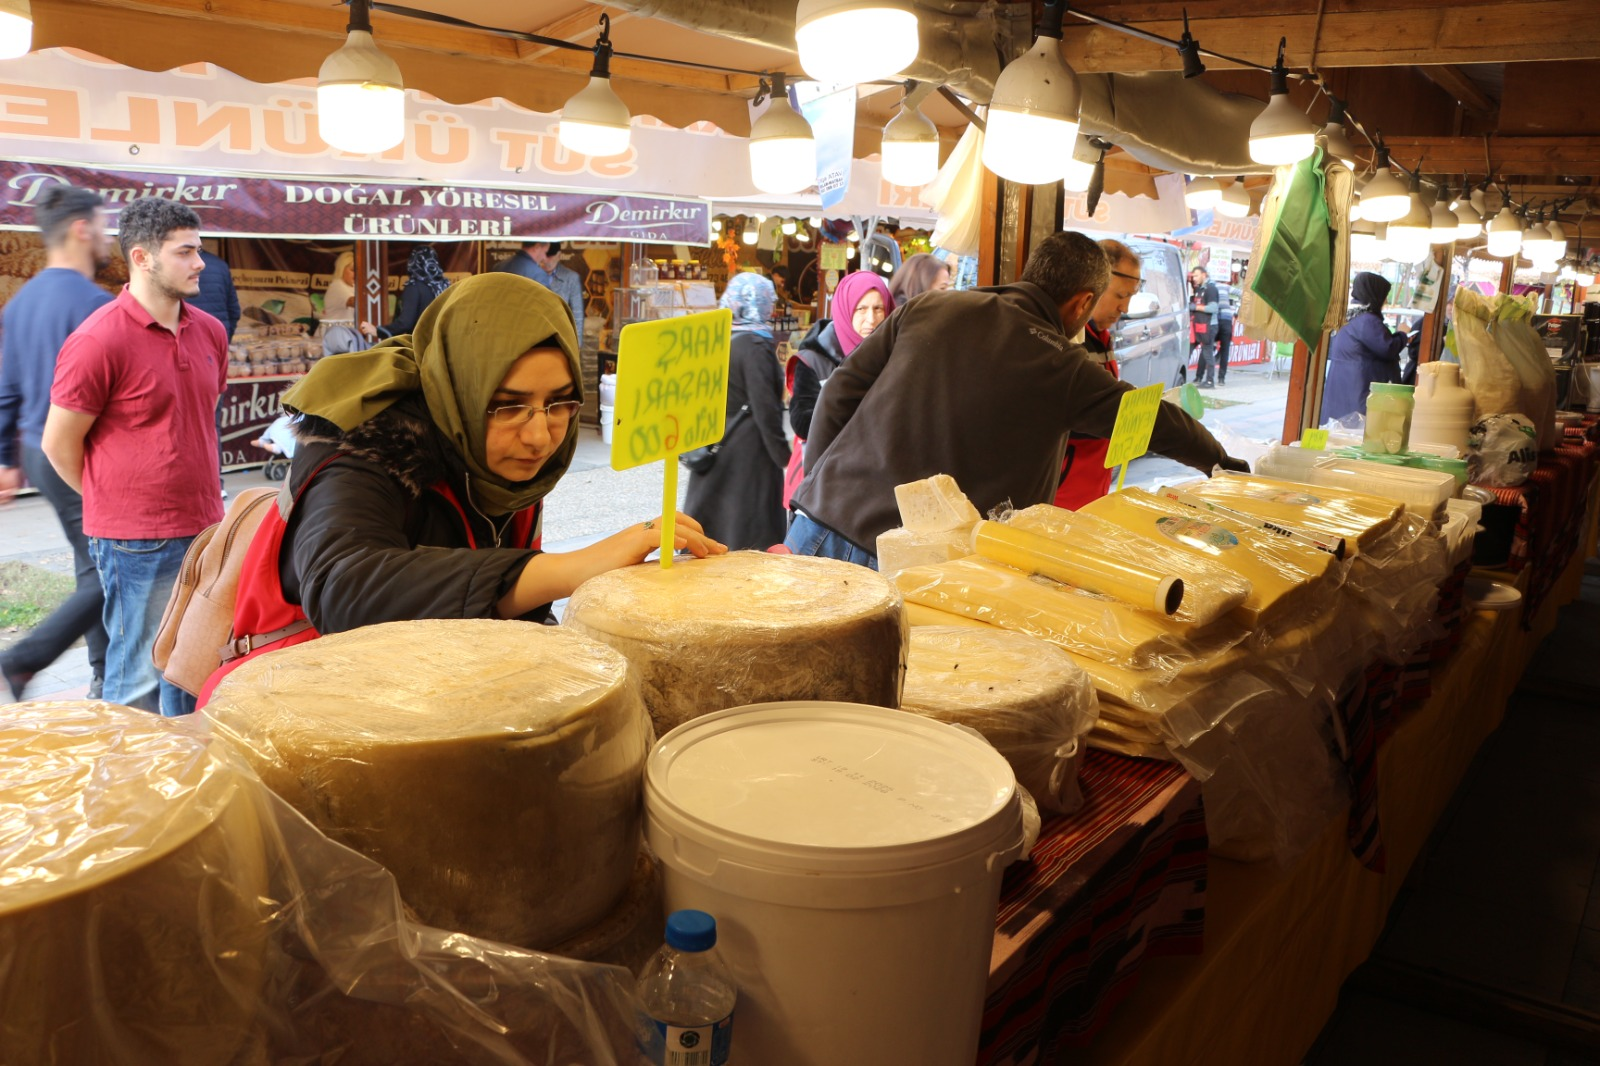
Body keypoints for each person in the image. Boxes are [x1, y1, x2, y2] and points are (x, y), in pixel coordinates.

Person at [199, 273, 724, 703]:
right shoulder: (362, 446)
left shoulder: (494, 455)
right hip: (291, 707)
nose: (540, 434)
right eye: (508, 405)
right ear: (461, 389)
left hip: (429, 696)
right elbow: (345, 588)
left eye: (559, 402)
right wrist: (572, 567)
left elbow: (501, 592)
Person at [784, 231, 1247, 567]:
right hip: (908, 566)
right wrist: (1222, 464)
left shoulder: (931, 307)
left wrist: (817, 491)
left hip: (819, 526)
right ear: (1082, 303)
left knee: (785, 695)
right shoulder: (1062, 366)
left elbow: (839, 393)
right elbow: (1160, 423)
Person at [42, 197, 229, 716]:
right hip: (135, 541)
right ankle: (128, 790)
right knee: (137, 678)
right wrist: (113, 504)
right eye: (186, 252)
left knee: (193, 669)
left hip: (206, 525)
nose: (200, 264)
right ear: (143, 258)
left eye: (200, 250)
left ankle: (179, 782)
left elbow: (198, 418)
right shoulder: (98, 339)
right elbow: (58, 444)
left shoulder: (210, 331)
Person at [0, 185, 113, 702]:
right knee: (111, 565)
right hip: (75, 453)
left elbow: (5, 389)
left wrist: (7, 461)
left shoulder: (21, 301)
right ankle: (25, 658)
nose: (108, 233)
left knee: (91, 559)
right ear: (81, 229)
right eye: (104, 223)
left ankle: (100, 671)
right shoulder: (95, 304)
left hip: (33, 449)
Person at [684, 273, 790, 550]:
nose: (773, 307)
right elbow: (766, 408)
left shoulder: (719, 339)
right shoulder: (754, 345)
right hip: (747, 458)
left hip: (716, 443)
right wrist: (785, 458)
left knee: (716, 529)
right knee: (745, 534)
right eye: (770, 301)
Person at [782, 271, 893, 510]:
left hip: (875, 488)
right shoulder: (813, 360)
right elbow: (802, 421)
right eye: (860, 309)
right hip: (821, 487)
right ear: (845, 310)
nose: (871, 319)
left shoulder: (895, 355)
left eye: (878, 309)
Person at [1055, 239, 1141, 510]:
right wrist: (1125, 418)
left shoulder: (1102, 337)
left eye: (1130, 297)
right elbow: (1062, 417)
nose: (1124, 308)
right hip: (1060, 498)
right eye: (1120, 295)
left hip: (1093, 490)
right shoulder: (1065, 340)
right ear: (1094, 285)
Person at [188, 246, 241, 493]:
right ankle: (214, 482)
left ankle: (194, 483)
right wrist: (222, 343)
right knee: (211, 422)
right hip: (212, 356)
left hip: (184, 350)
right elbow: (234, 312)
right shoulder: (220, 265)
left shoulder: (172, 270)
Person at [1323, 272, 1411, 421]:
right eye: (1384, 296)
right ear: (1375, 295)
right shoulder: (1367, 321)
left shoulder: (1350, 316)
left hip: (1343, 391)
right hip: (1358, 392)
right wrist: (1403, 334)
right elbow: (1387, 347)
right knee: (1355, 435)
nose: (1386, 301)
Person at [492, 241, 585, 334]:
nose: (545, 259)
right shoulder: (538, 275)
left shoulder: (498, 267)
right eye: (545, 253)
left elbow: (577, 316)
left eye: (550, 256)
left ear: (559, 255)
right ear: (536, 248)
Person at [376, 244, 450, 338]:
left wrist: (379, 331)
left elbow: (405, 323)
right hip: (442, 343)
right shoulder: (444, 285)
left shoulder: (414, 286)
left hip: (422, 345)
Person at [1189, 266, 1221, 387]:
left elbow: (1213, 308)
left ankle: (1210, 381)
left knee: (1207, 353)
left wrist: (1196, 307)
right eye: (1193, 277)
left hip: (1209, 327)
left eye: (1196, 276)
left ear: (1204, 275)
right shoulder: (1198, 289)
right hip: (1197, 326)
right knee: (1188, 350)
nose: (1194, 279)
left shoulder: (1211, 289)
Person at [323, 251, 356, 322]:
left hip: (344, 330)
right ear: (342, 269)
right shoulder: (337, 286)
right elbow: (354, 302)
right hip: (332, 331)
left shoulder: (353, 286)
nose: (356, 273)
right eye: (353, 270)